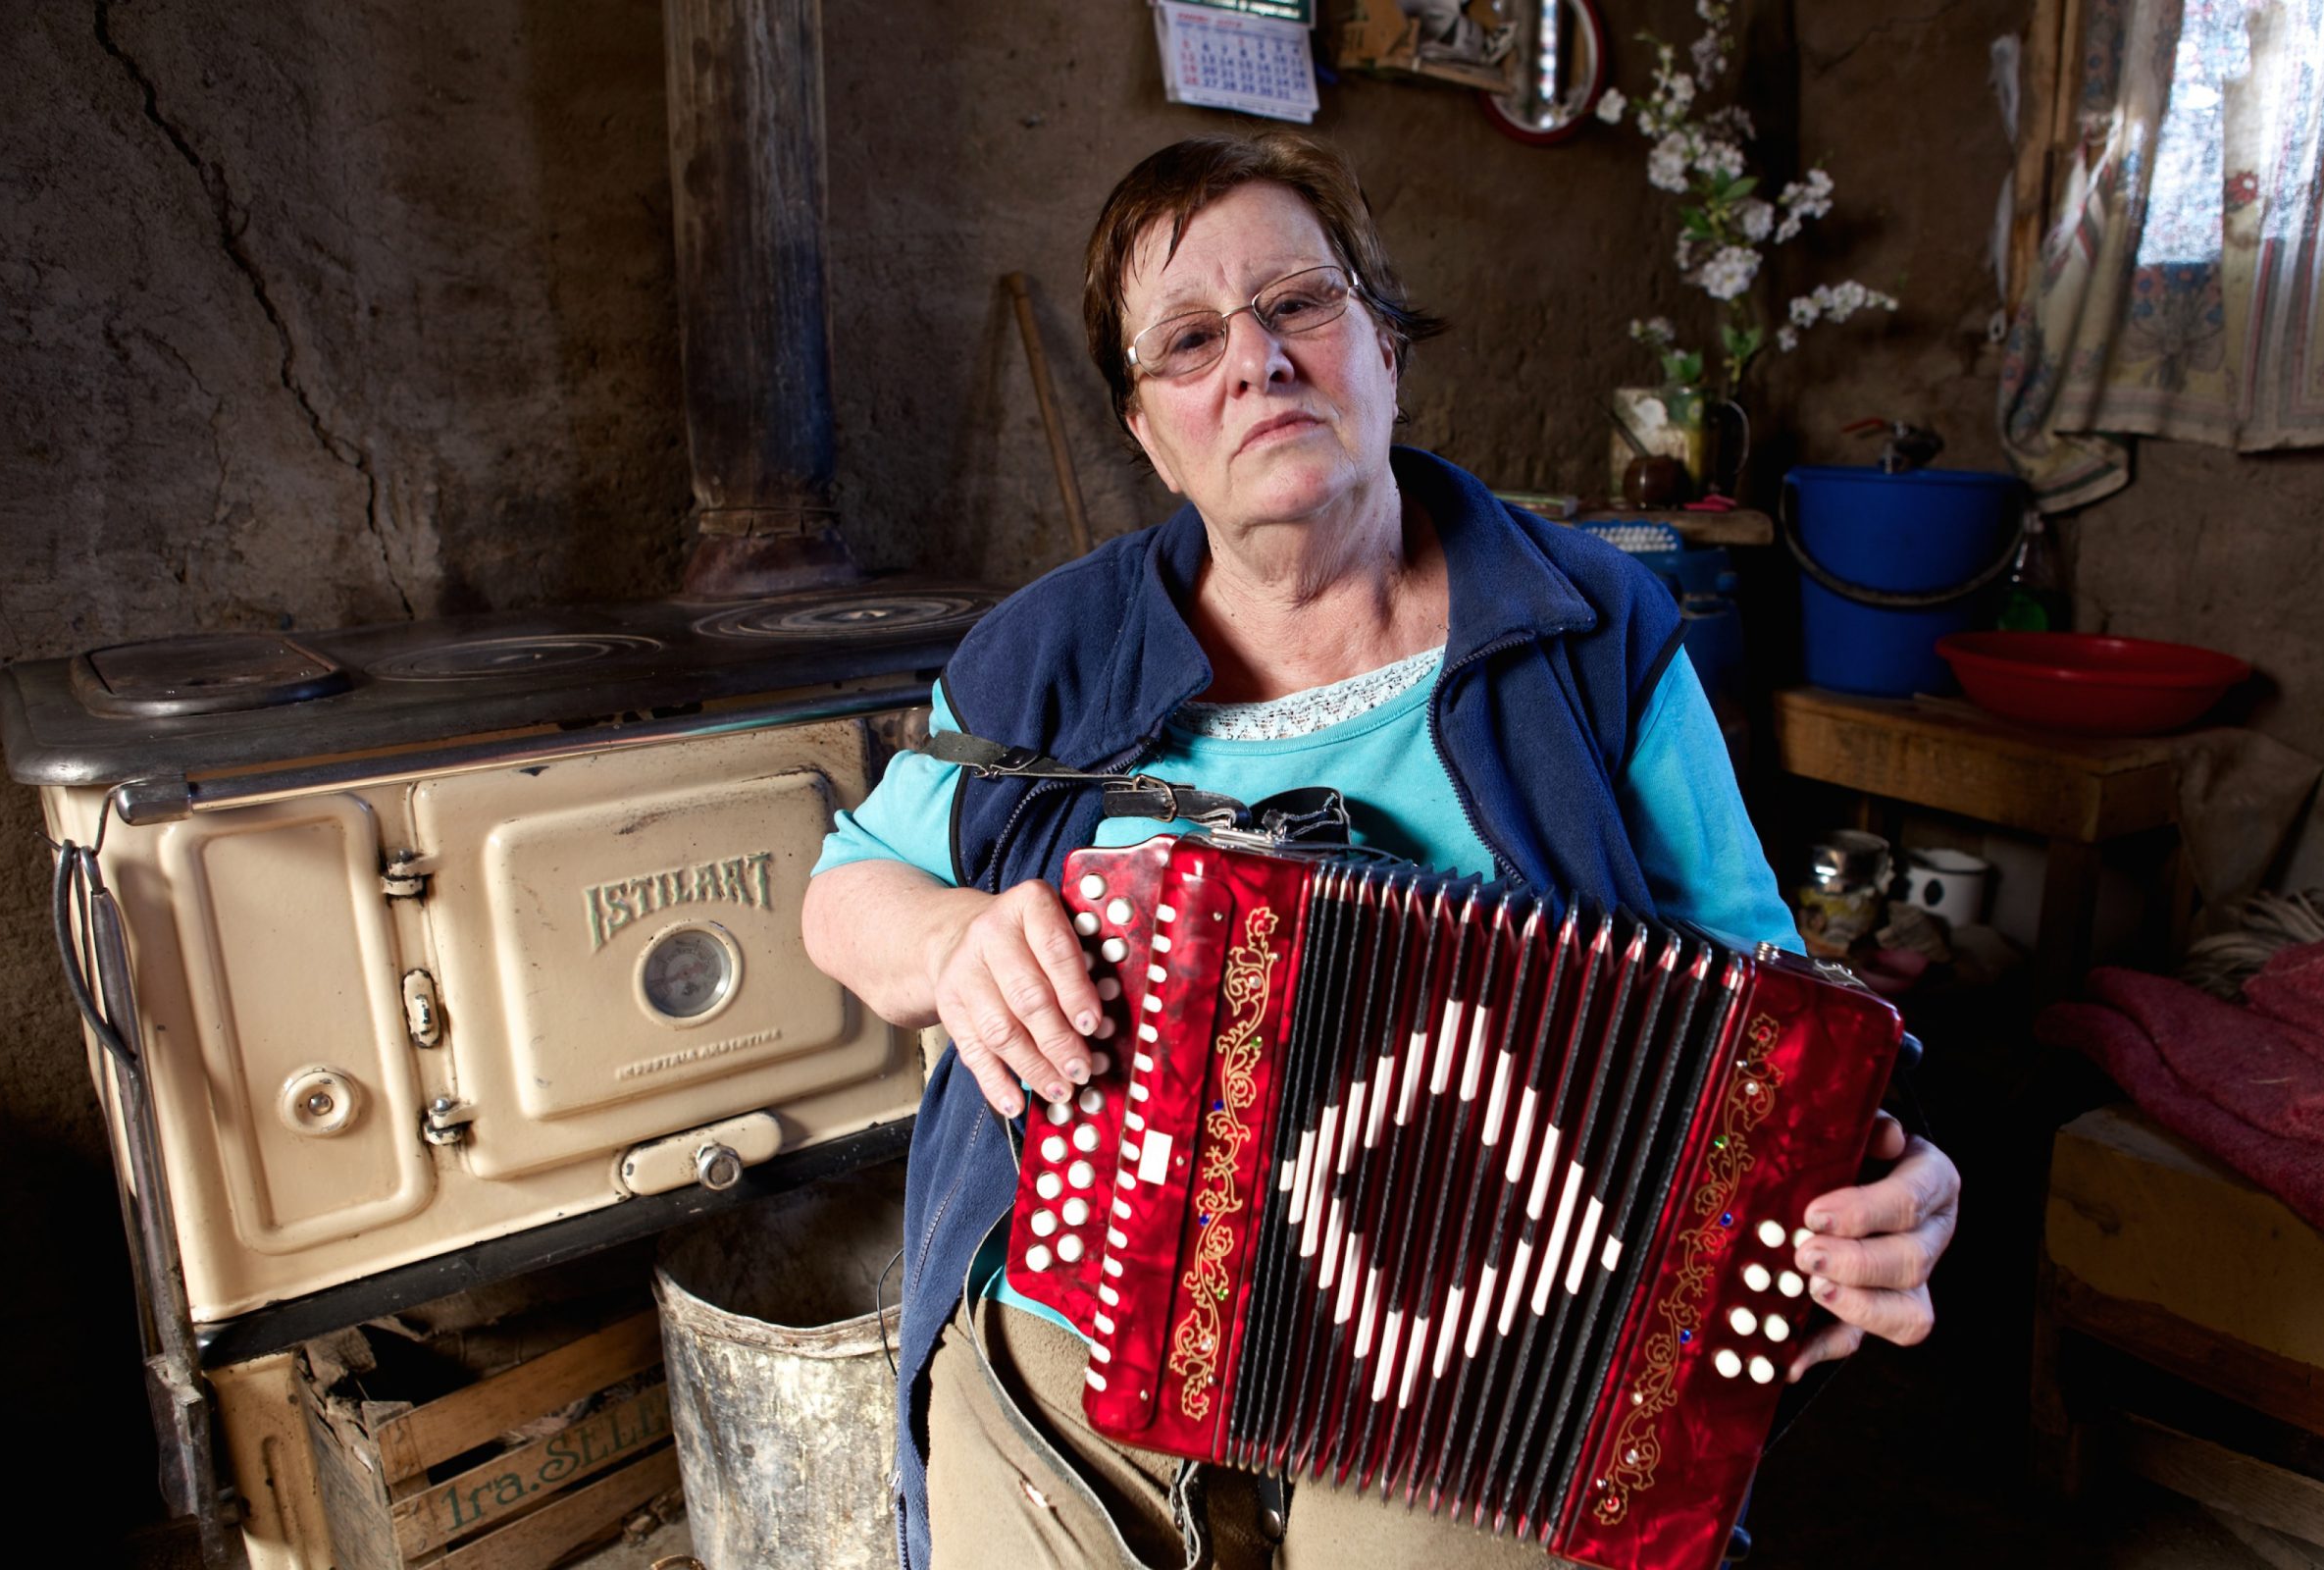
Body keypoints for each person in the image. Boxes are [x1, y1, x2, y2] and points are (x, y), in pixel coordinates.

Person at [800, 131, 1959, 1570]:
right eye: (1188, 340)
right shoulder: (1041, 658)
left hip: (1485, 1363)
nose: (1257, 361)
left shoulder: (1593, 629)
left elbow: (1772, 1008)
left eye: (1300, 301)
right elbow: (846, 891)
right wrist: (950, 939)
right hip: (1087, 1332)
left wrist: (1879, 1189)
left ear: (1387, 346)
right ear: (1147, 429)